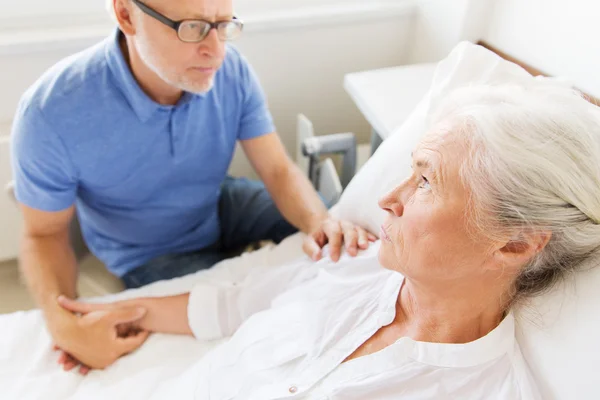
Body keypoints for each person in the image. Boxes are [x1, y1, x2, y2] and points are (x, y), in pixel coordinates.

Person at [57, 82, 600, 398]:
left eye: (427, 181)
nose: (389, 196)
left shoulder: (485, 391)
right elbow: (235, 302)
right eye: (410, 171)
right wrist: (124, 312)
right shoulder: (357, 260)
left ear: (514, 245)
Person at [10, 0, 374, 375]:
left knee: (344, 229)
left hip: (217, 203)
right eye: (192, 28)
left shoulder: (231, 71)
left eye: (222, 24)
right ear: (125, 14)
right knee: (232, 316)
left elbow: (279, 170)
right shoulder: (51, 112)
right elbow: (44, 234)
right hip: (150, 250)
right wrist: (63, 325)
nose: (216, 51)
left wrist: (318, 221)